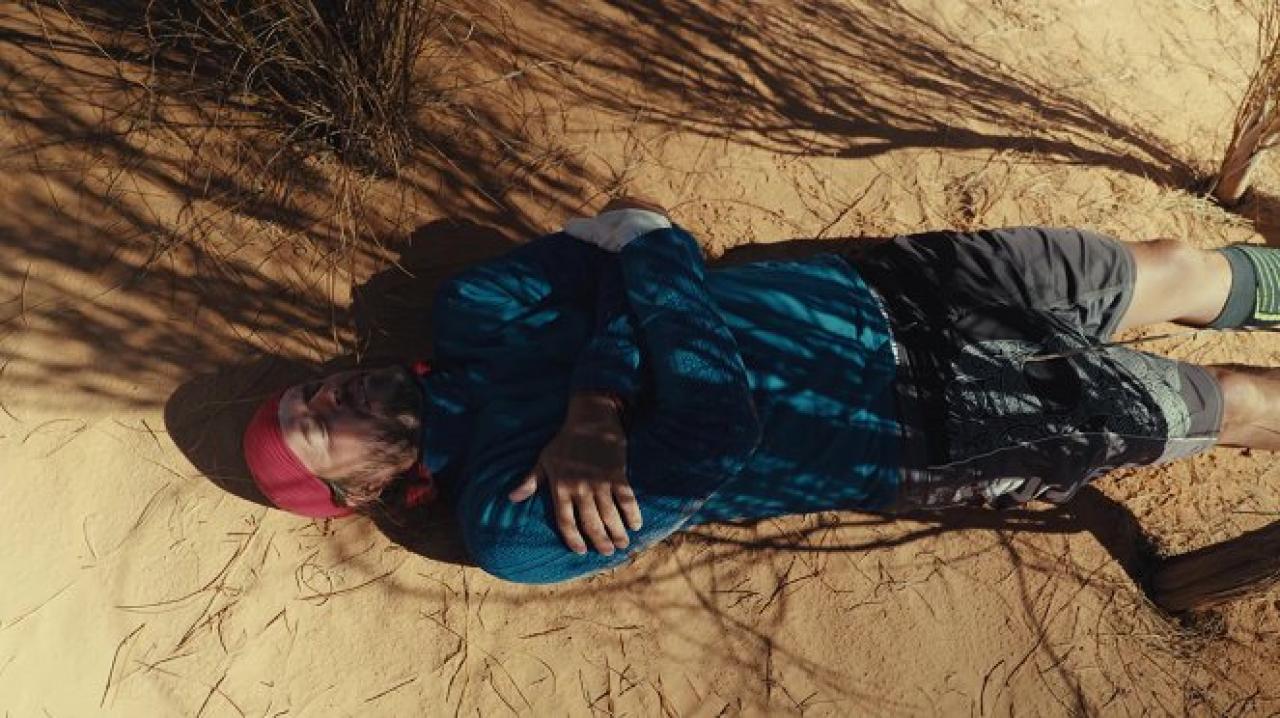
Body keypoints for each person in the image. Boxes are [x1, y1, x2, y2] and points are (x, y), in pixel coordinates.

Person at [241, 196, 1280, 584]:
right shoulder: (509, 523)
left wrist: (598, 400)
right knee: (1221, 401)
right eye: (312, 430)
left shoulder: (473, 308)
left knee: (1171, 263)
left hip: (887, 285)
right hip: (931, 428)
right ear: (359, 492)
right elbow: (713, 433)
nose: (326, 397)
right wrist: (642, 291)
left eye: (309, 390)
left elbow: (644, 220)